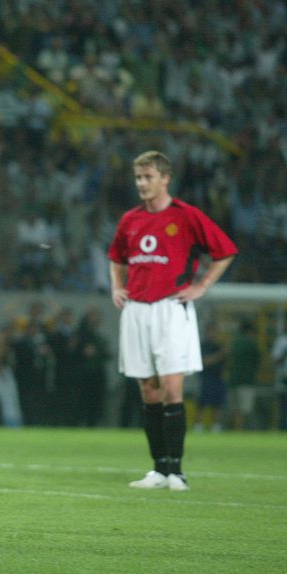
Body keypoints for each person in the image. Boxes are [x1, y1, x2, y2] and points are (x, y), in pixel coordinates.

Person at [109, 150, 237, 491]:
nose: (142, 183)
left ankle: (177, 472)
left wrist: (201, 286)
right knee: (148, 391)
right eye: (138, 177)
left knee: (171, 388)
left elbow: (225, 251)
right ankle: (159, 469)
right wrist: (117, 286)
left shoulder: (186, 215)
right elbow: (116, 257)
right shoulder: (130, 219)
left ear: (165, 179)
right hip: (137, 309)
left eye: (148, 177)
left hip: (169, 307)